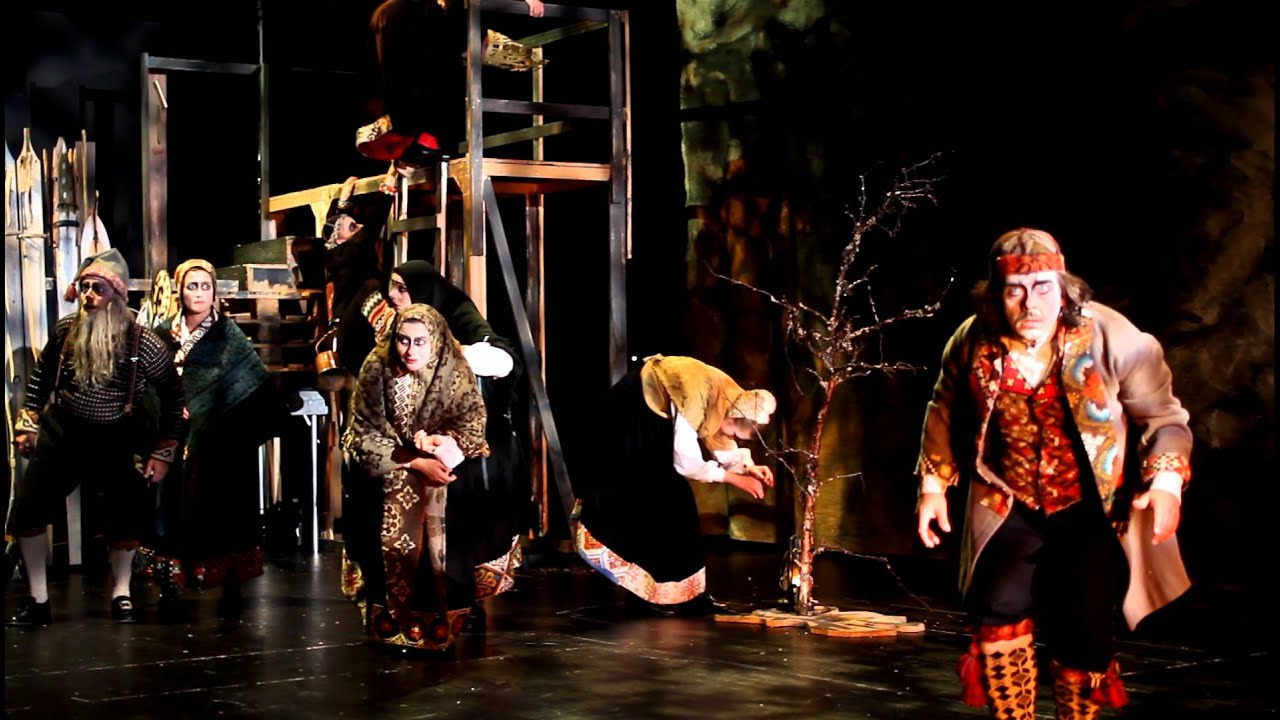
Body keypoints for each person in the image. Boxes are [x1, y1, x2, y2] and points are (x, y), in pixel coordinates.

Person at [914, 228, 1194, 719]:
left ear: (1064, 288)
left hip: (1089, 504)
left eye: (1043, 288)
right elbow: (943, 406)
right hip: (1008, 497)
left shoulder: (1112, 337)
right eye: (1015, 291)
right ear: (996, 295)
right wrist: (933, 486)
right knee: (998, 609)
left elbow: (1164, 418)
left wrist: (1166, 484)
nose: (1031, 304)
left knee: (1083, 624)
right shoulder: (973, 340)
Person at [338, 260, 527, 626]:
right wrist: (405, 457)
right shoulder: (378, 362)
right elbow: (364, 426)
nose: (393, 296)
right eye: (392, 286)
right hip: (394, 461)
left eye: (402, 288)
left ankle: (451, 612)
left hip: (445, 463)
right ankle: (394, 618)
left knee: (451, 538)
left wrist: (450, 445)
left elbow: (481, 401)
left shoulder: (455, 348)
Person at [7, 248, 185, 626]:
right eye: (85, 287)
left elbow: (173, 396)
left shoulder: (142, 341)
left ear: (116, 295)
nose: (88, 295)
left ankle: (121, 593)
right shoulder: (66, 331)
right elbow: (39, 381)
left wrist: (163, 451)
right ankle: (38, 600)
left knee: (124, 515)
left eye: (98, 289)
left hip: (117, 434)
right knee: (29, 509)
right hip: (64, 431)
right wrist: (28, 423)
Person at [573, 354, 777, 616]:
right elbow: (686, 463)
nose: (731, 436)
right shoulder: (694, 394)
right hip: (630, 415)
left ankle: (687, 594)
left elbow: (717, 433)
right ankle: (648, 594)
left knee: (676, 503)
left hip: (655, 418)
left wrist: (747, 466)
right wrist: (733, 478)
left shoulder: (729, 396)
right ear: (732, 418)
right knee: (653, 498)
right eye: (735, 432)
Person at [143, 259, 288, 620]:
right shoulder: (161, 334)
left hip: (221, 439)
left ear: (214, 293)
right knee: (171, 509)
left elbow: (250, 384)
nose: (199, 293)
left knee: (224, 510)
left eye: (205, 286)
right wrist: (172, 409)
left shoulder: (228, 335)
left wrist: (213, 414)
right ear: (179, 290)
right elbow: (149, 384)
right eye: (192, 286)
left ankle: (230, 582)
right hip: (175, 438)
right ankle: (171, 583)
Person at [342, 303, 489, 651]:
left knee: (442, 553)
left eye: (420, 342)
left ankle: (439, 626)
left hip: (443, 477)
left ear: (434, 341)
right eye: (403, 340)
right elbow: (362, 432)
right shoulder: (377, 367)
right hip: (389, 473)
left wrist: (443, 444)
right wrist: (414, 462)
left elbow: (473, 426)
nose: (410, 350)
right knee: (387, 548)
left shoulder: (454, 369)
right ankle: (394, 626)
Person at [359, 0, 546, 167]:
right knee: (442, 73)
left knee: (410, 75)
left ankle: (408, 134)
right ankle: (420, 137)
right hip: (417, 17)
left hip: (391, 16)